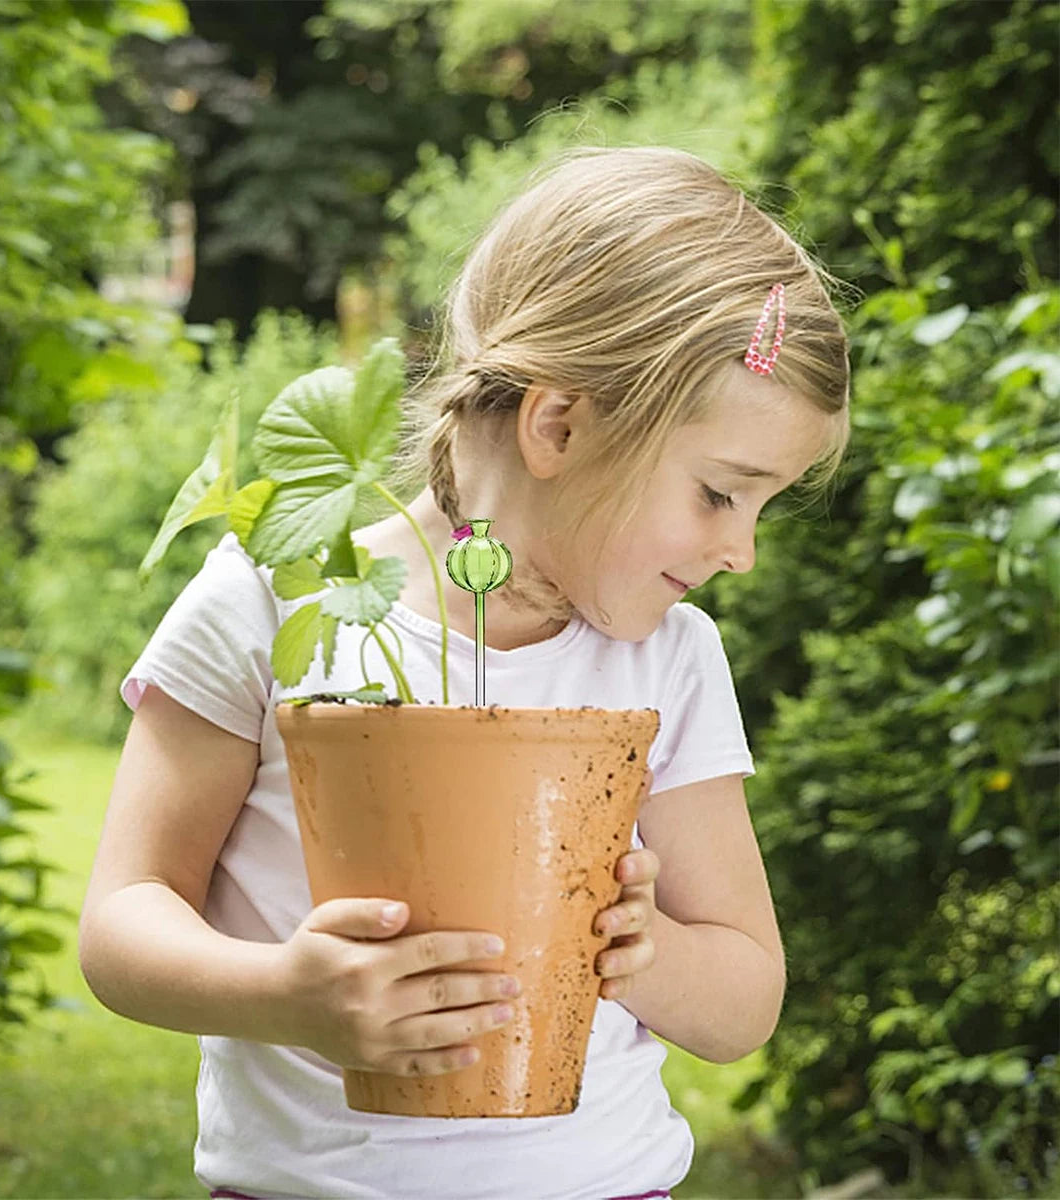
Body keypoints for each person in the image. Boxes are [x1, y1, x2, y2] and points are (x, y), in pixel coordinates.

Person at [79, 146, 850, 1199]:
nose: (741, 550)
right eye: (721, 493)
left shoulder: (671, 661)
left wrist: (649, 953)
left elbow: (746, 998)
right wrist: (287, 994)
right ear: (560, 424)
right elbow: (126, 916)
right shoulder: (278, 592)